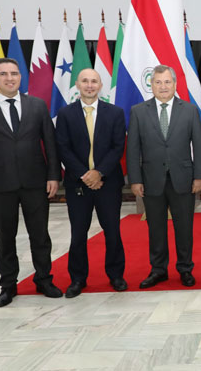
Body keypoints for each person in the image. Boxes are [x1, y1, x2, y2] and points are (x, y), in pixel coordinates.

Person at [0, 57, 62, 307]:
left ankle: (44, 279)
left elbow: (50, 144)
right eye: (4, 74)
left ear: (21, 77)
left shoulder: (38, 106)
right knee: (5, 237)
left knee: (40, 235)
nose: (10, 78)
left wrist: (53, 175)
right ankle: (8, 285)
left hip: (36, 182)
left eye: (14, 74)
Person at [126, 65, 201, 289]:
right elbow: (133, 149)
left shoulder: (189, 110)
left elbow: (199, 146)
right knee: (156, 228)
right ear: (151, 85)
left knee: (184, 228)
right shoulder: (138, 111)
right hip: (151, 180)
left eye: (167, 82)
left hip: (184, 179)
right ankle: (158, 270)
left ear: (175, 84)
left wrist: (199, 175)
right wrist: (135, 179)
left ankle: (185, 269)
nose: (163, 86)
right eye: (158, 82)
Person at [55, 69, 128, 297]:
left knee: (113, 231)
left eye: (94, 81)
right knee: (78, 233)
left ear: (100, 85)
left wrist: (99, 173)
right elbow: (63, 148)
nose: (89, 85)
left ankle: (116, 275)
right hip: (77, 183)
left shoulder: (115, 113)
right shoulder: (65, 114)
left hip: (108, 182)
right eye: (85, 81)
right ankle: (77, 279)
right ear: (77, 84)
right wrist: (85, 175)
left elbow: (118, 146)